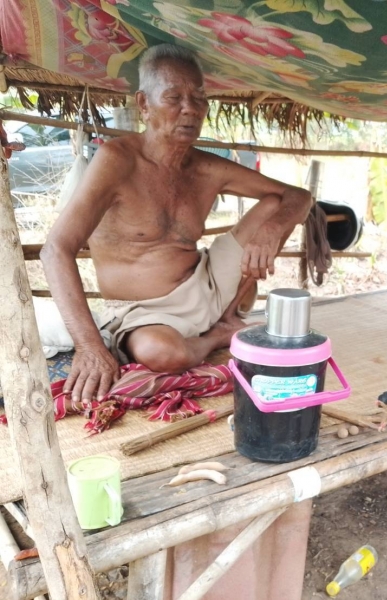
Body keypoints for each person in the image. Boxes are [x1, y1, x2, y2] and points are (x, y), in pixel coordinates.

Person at [41, 44, 313, 599]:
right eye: (174, 97)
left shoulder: (205, 166)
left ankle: (223, 322)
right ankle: (218, 337)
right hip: (144, 312)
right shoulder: (117, 159)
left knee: (273, 206)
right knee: (160, 355)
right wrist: (90, 346)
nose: (189, 109)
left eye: (199, 98)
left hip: (208, 282)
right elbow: (55, 249)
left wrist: (269, 229)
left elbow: (298, 196)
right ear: (144, 104)